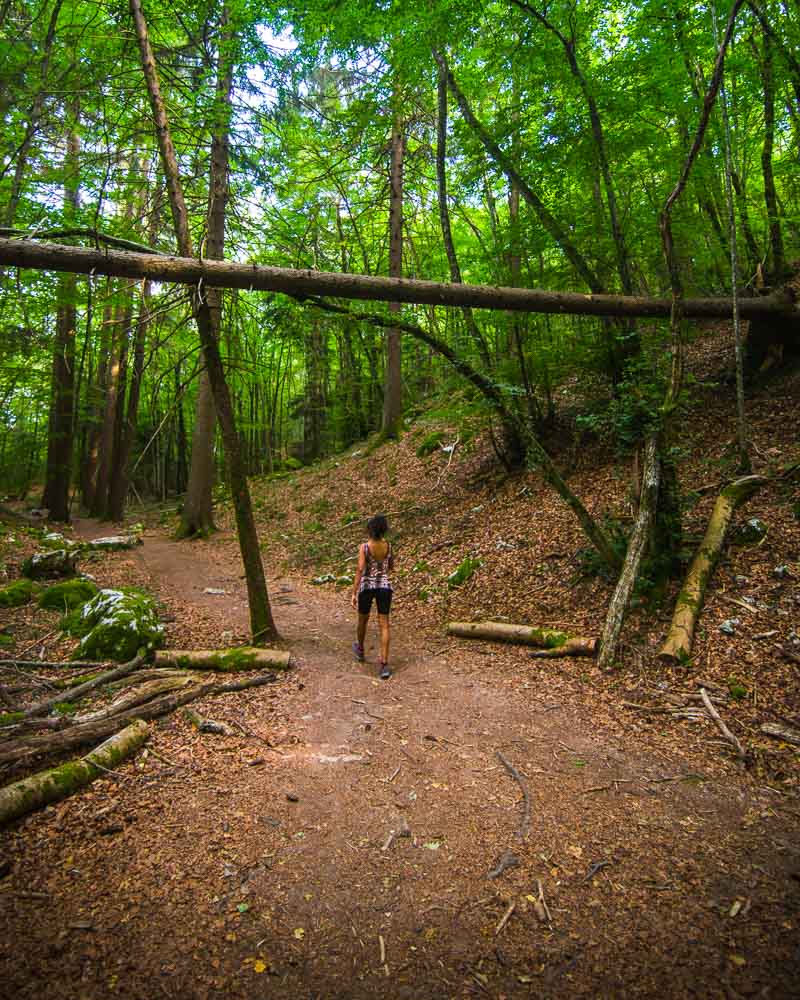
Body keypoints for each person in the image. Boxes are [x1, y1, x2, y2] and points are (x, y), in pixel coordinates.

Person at [351, 514, 394, 679]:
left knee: (363, 619)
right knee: (384, 624)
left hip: (367, 587)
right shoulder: (388, 546)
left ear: (370, 529)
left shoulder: (364, 547)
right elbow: (391, 566)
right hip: (384, 587)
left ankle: (360, 649)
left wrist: (354, 592)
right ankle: (384, 663)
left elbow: (360, 569)